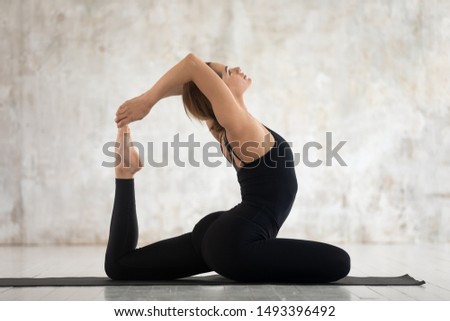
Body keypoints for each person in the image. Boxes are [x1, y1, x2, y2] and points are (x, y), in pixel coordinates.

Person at [105, 53, 350, 282]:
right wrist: (147, 101)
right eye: (227, 72)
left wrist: (191, 87)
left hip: (224, 233)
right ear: (217, 90)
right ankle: (124, 174)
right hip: (235, 243)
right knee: (340, 262)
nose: (237, 69)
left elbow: (191, 82)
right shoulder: (238, 128)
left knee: (122, 265)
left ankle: (124, 175)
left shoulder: (226, 130)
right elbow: (191, 65)